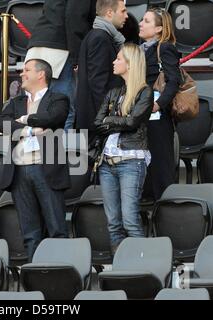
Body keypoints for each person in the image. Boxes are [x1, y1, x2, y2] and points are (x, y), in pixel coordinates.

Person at [0, 59, 70, 260]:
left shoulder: (58, 98)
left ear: (41, 74)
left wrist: (23, 120)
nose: (21, 73)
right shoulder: (16, 102)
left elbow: (52, 118)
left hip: (46, 169)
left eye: (26, 70)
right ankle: (35, 275)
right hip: (19, 171)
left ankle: (60, 272)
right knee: (29, 232)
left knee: (56, 228)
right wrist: (30, 130)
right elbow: (2, 123)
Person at [94, 43, 153, 254]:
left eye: (118, 59)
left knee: (130, 220)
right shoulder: (113, 92)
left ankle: (143, 265)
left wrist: (110, 120)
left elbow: (133, 122)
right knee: (113, 223)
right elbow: (97, 123)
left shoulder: (145, 92)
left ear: (130, 64)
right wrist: (117, 119)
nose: (114, 62)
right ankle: (121, 269)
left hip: (131, 161)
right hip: (107, 163)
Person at [25, 0, 96, 130]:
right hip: (60, 50)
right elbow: (75, 18)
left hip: (36, 47)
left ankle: (37, 150)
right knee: (63, 110)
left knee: (35, 110)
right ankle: (58, 150)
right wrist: (77, 56)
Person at [139, 8, 181, 200]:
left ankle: (166, 212)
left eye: (146, 21)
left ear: (158, 29)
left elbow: (173, 80)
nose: (140, 23)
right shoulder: (140, 49)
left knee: (161, 167)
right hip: (142, 117)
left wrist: (159, 104)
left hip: (158, 119)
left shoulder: (164, 47)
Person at [76, 0, 128, 145]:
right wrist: (109, 117)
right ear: (109, 13)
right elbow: (98, 84)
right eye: (123, 11)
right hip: (98, 123)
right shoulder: (100, 38)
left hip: (96, 121)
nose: (126, 16)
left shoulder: (99, 36)